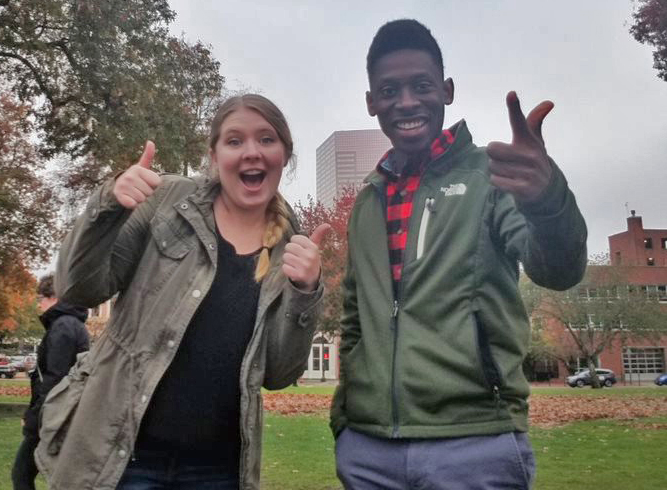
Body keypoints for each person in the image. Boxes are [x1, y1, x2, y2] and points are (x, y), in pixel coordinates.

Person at [330, 19, 587, 489]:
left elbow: (558, 270)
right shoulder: (368, 198)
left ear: (446, 90)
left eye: (421, 86)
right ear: (372, 102)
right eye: (389, 90)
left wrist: (546, 200)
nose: (406, 102)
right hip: (368, 452)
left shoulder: (493, 177)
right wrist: (345, 421)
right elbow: (354, 319)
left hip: (475, 443)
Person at [34, 94, 329, 490]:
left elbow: (277, 374)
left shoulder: (290, 249)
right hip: (123, 457)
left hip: (218, 471)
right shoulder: (167, 202)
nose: (251, 152)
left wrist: (304, 290)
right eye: (235, 140)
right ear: (214, 155)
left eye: (266, 139)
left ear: (284, 155)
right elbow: (80, 288)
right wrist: (109, 205)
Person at [11, 274, 89, 490]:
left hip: (55, 416)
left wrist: (34, 419)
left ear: (54, 297)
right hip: (63, 414)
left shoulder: (63, 327)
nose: (39, 304)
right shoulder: (70, 325)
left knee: (21, 474)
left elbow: (54, 379)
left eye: (41, 298)